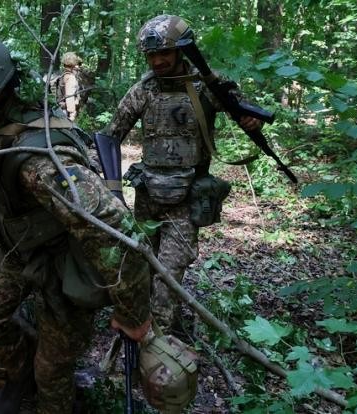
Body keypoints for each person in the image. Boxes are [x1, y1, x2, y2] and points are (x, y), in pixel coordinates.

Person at [0, 31, 152, 413]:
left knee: (53, 372)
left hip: (67, 261)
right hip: (19, 245)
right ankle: (21, 372)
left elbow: (113, 232)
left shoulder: (40, 165)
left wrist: (134, 315)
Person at [103, 15, 263, 331]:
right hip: (148, 197)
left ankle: (159, 349)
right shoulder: (143, 90)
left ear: (181, 51)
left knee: (170, 271)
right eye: (151, 55)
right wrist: (108, 187)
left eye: (164, 53)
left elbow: (245, 111)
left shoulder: (207, 85)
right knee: (141, 266)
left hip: (186, 198)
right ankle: (145, 328)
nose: (157, 61)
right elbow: (110, 137)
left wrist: (250, 120)